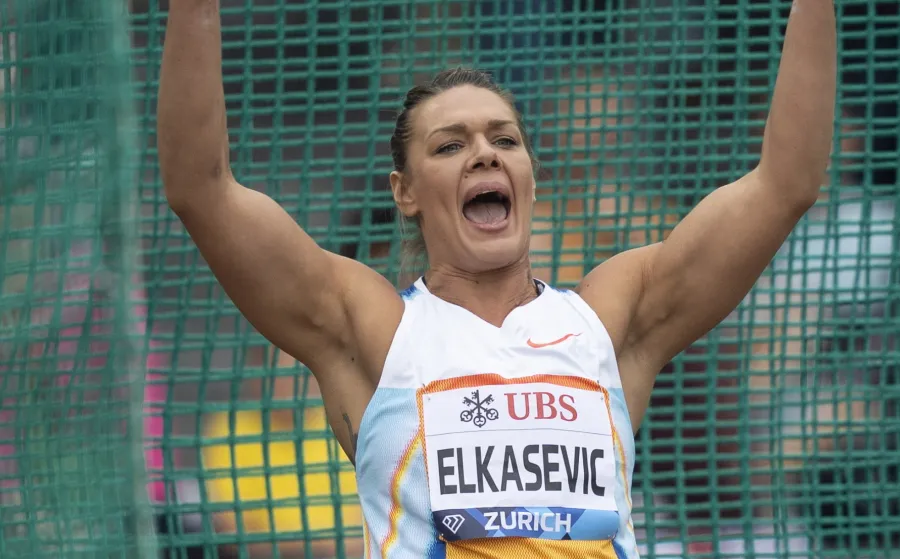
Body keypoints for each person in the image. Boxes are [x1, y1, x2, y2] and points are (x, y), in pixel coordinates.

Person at [156, 0, 836, 557]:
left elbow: (785, 184)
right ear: (405, 191)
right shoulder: (374, 328)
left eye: (504, 140)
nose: (484, 152)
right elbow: (201, 190)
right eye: (451, 145)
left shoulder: (609, 319)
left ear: (530, 177)